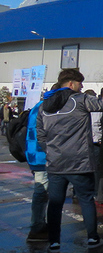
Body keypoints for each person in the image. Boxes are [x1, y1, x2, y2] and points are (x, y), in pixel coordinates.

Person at [37, 69, 103, 252]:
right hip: (79, 162)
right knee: (87, 200)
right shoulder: (80, 101)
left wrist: (51, 152)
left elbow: (41, 135)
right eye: (80, 83)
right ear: (71, 84)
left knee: (55, 202)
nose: (82, 87)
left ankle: (54, 242)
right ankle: (92, 238)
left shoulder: (44, 106)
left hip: (55, 163)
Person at [24, 97, 49, 242]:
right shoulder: (45, 108)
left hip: (34, 153)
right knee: (41, 191)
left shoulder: (37, 107)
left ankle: (39, 223)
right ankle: (37, 226)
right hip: (41, 155)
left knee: (42, 190)